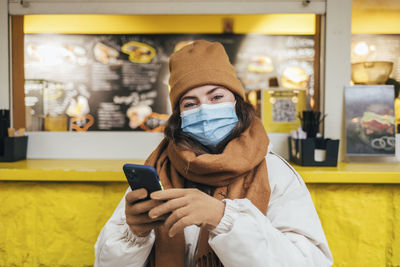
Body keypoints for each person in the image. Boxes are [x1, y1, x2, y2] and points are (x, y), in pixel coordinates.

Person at [94, 40, 333, 267]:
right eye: (190, 103)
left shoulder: (274, 172)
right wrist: (134, 235)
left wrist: (224, 219)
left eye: (216, 97)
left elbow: (310, 260)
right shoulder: (158, 171)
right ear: (178, 115)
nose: (205, 110)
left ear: (237, 103)